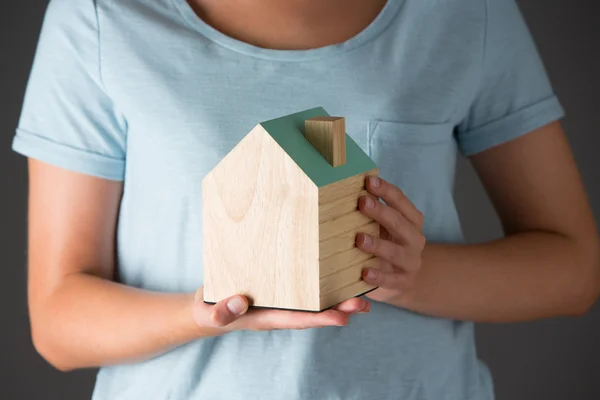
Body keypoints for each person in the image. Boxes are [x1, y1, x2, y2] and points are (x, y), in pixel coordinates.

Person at [12, 0, 599, 399]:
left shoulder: (464, 14)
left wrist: (407, 274)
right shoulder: (101, 16)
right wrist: (203, 314)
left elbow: (573, 269)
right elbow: (59, 320)